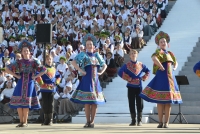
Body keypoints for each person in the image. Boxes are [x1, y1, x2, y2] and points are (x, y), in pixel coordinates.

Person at [139, 31, 182, 128]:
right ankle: (160, 122)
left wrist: (175, 67)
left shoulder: (170, 53)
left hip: (170, 78)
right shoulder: (158, 52)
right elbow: (154, 58)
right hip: (162, 76)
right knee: (159, 100)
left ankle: (166, 122)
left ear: (167, 44)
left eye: (164, 42)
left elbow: (176, 62)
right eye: (161, 42)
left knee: (168, 101)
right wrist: (160, 66)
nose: (163, 43)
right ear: (159, 44)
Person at [5, 40, 46, 128]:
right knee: (19, 102)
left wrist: (36, 76)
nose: (26, 52)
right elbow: (7, 69)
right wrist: (16, 75)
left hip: (30, 83)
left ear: (29, 51)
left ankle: (25, 121)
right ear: (21, 52)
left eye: (27, 50)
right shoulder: (19, 61)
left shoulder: (34, 61)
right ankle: (21, 121)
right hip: (21, 81)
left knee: (26, 102)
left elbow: (44, 69)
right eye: (24, 51)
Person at [70, 33, 107, 128]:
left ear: (94, 45)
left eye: (91, 44)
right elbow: (73, 62)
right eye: (88, 44)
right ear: (85, 46)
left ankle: (92, 121)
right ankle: (87, 121)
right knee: (87, 102)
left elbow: (104, 65)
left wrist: (101, 72)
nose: (89, 46)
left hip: (95, 80)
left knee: (94, 102)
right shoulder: (83, 54)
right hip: (87, 79)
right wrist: (81, 70)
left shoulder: (97, 55)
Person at [118, 49, 150, 126]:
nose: (133, 55)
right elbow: (120, 72)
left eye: (134, 53)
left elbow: (148, 71)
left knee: (140, 103)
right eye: (131, 53)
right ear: (129, 55)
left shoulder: (141, 64)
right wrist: (127, 78)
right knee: (131, 103)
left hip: (139, 86)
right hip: (130, 86)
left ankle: (139, 120)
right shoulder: (127, 65)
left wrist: (144, 77)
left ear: (137, 55)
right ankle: (133, 120)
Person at [36, 54, 61, 126]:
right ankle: (45, 119)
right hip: (44, 89)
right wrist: (41, 83)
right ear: (45, 60)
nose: (49, 60)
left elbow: (59, 76)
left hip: (51, 89)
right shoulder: (42, 68)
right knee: (45, 104)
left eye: (50, 59)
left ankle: (50, 119)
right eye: (47, 59)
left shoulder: (54, 69)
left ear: (52, 60)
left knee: (51, 104)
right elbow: (38, 75)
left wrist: (56, 83)